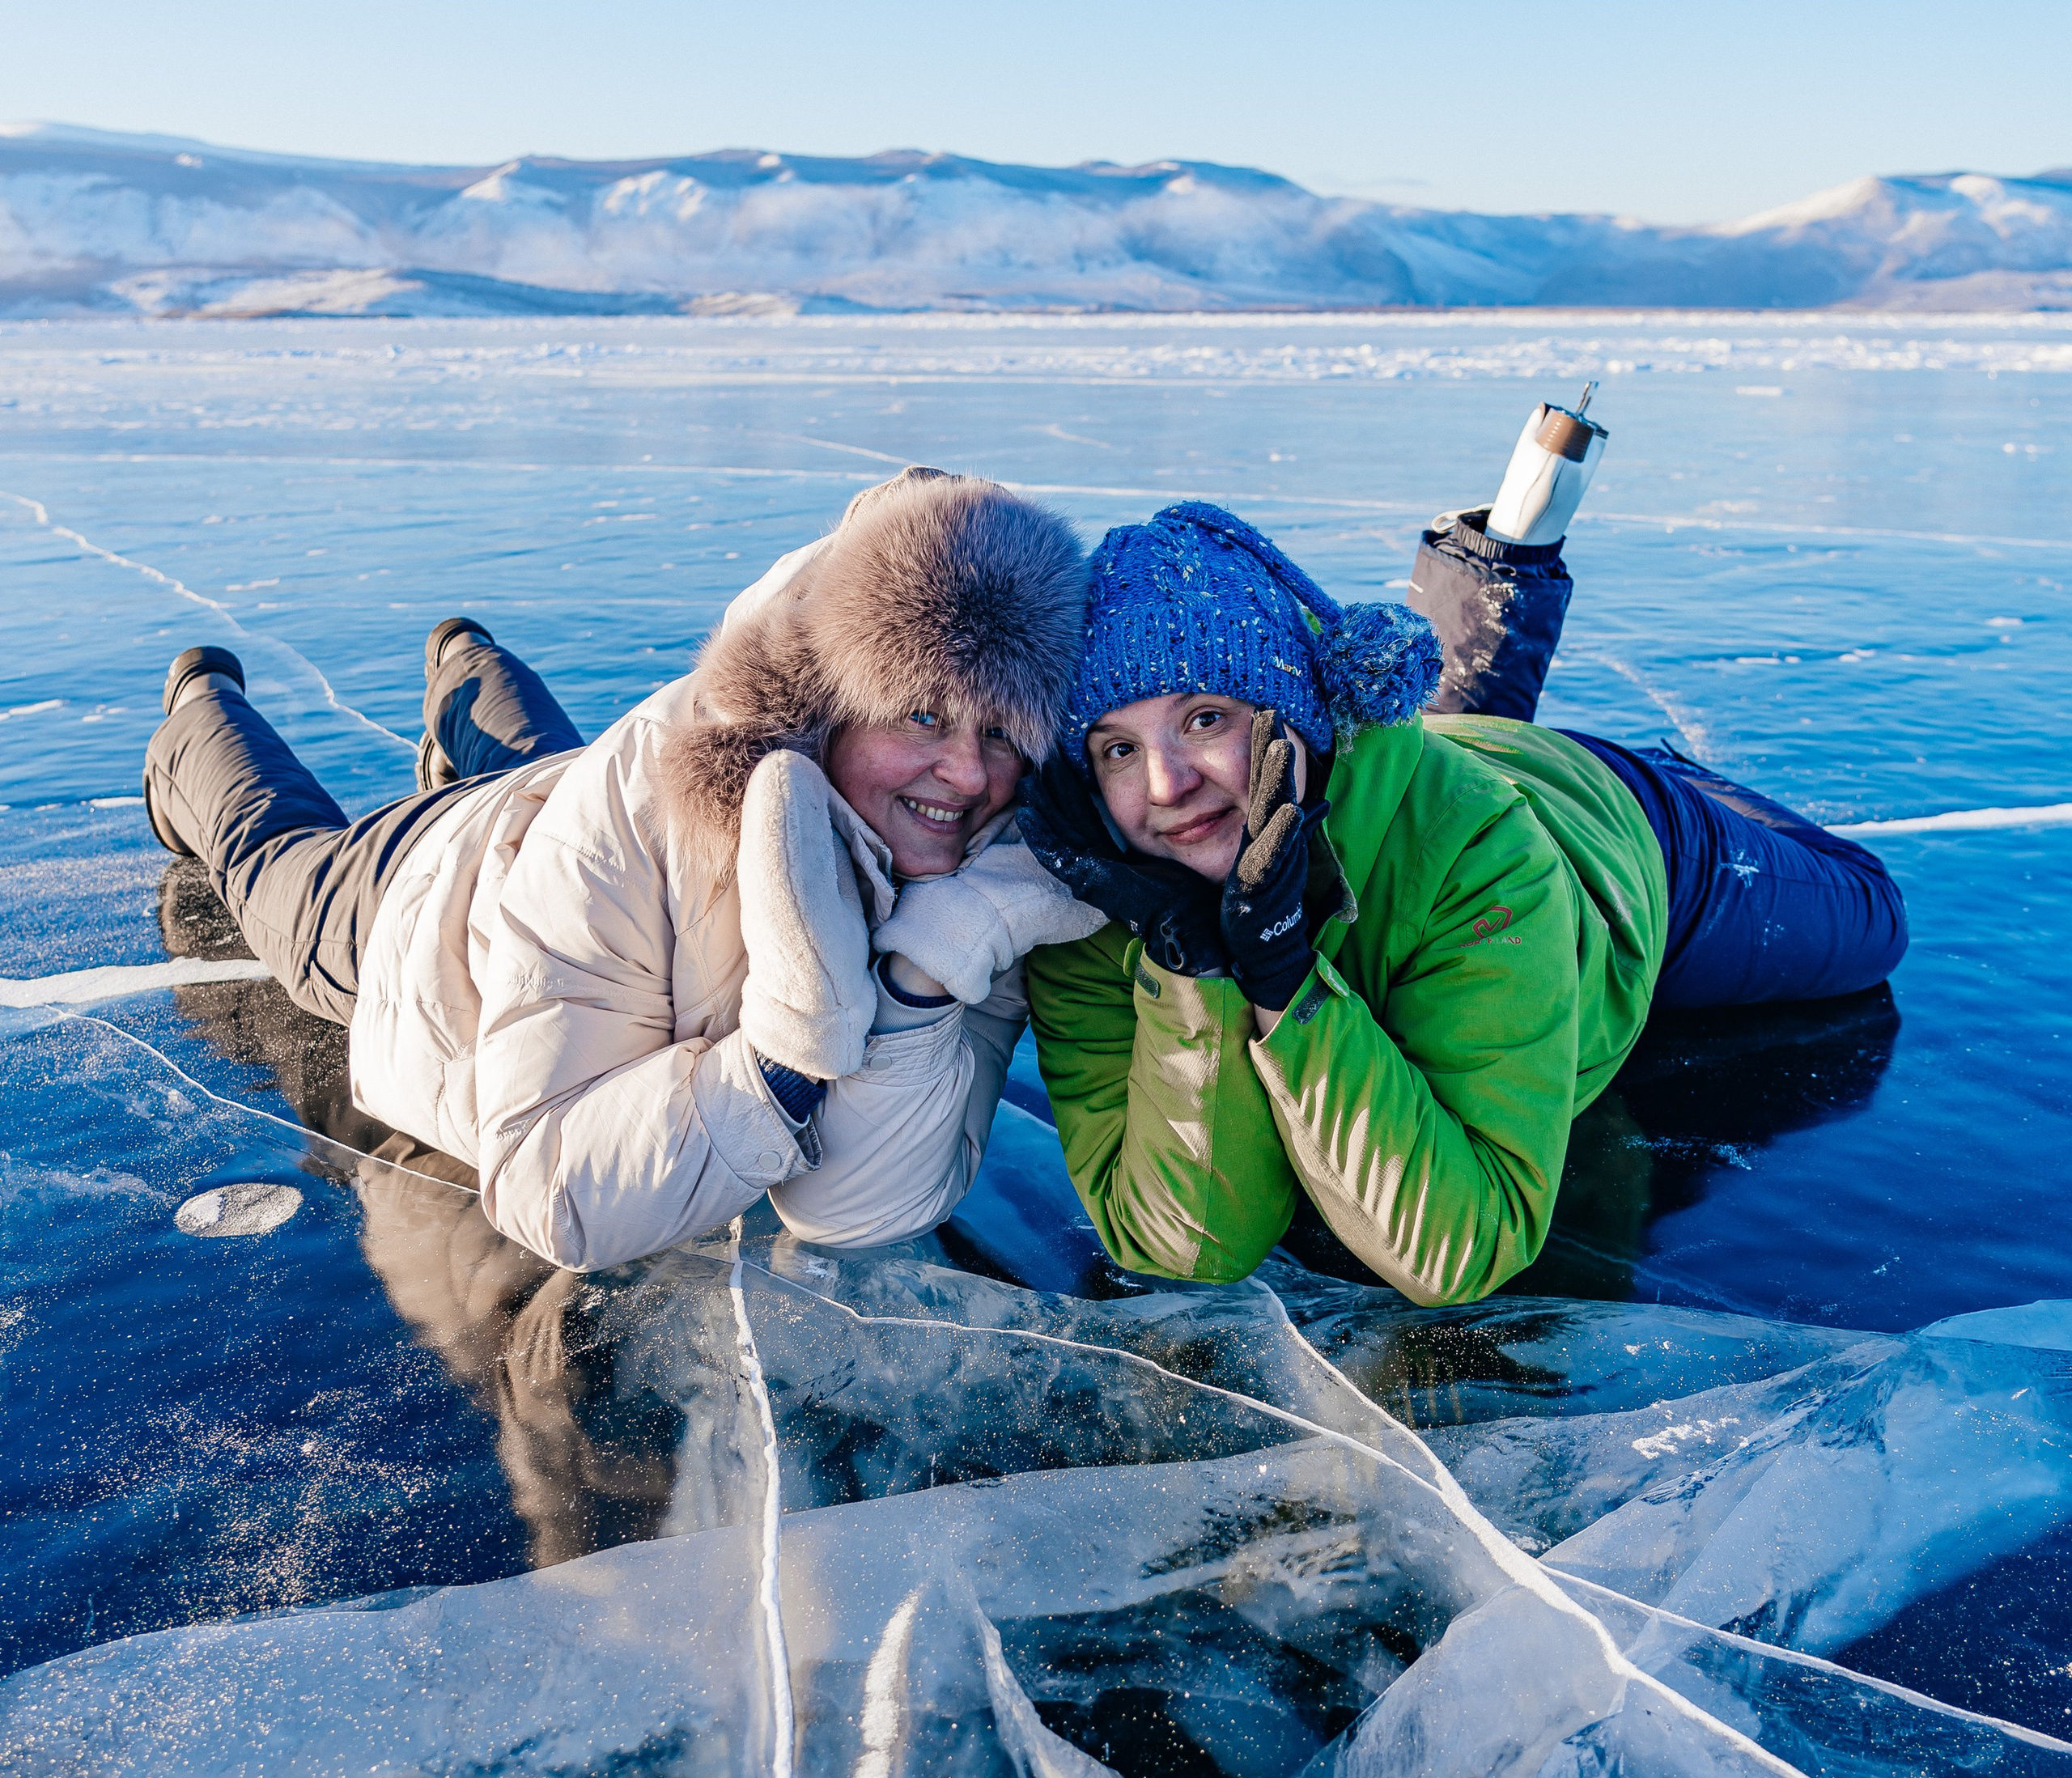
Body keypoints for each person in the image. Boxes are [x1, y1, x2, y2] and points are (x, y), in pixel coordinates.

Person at [1021, 396, 1908, 1302]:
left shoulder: (1479, 858)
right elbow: (1186, 1247)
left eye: (1205, 718)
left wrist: (1284, 978)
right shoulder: (1086, 909)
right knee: (1425, 742)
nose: (1165, 785)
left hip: (1617, 832)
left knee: (1872, 915)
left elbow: (1457, 1246)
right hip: (1426, 762)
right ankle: (1498, 571)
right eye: (1116, 749)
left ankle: (1660, 760)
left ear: (1297, 716)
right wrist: (1193, 967)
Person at [142, 469, 1101, 1269]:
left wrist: (926, 972)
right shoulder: (643, 807)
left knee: (548, 765)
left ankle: (465, 659)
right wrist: (779, 1059)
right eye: (921, 715)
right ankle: (199, 712)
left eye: (1001, 730)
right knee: (274, 857)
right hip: (418, 898)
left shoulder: (987, 861)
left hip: (550, 812)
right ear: (826, 701)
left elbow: (857, 1209)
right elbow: (546, 1188)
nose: (968, 773)